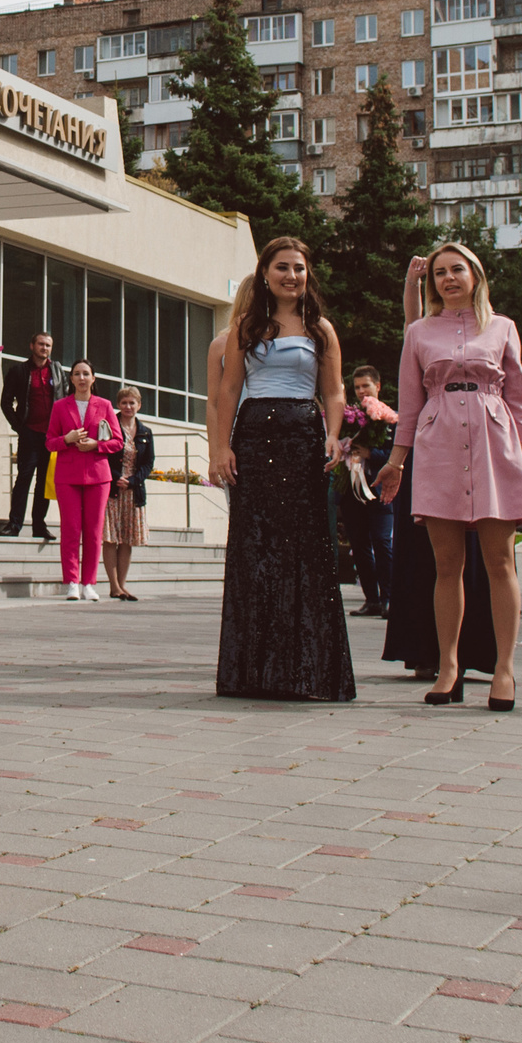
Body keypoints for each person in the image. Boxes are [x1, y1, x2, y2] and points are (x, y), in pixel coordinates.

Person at [376, 242, 522, 710]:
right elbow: (409, 405)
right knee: (446, 565)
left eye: (457, 270)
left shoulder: (503, 327)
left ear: (475, 275)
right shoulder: (418, 332)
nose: (448, 279)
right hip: (439, 446)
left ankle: (504, 670)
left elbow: (518, 401)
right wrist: (397, 460)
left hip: (495, 447)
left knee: (500, 563)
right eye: (439, 273)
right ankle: (448, 666)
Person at [207, 236, 357, 702]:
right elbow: (226, 394)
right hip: (253, 441)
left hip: (303, 439)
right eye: (282, 268)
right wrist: (219, 449)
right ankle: (253, 672)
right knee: (256, 550)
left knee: (306, 551)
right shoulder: (245, 329)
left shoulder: (321, 329)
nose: (292, 276)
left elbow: (334, 392)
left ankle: (310, 671)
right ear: (265, 274)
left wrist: (334, 435)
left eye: (299, 268)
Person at [46, 359, 123, 602]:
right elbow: (49, 442)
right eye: (77, 374)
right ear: (71, 379)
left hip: (98, 476)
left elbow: (118, 441)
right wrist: (67, 439)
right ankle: (71, 582)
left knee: (93, 531)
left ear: (93, 378)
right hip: (67, 476)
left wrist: (96, 445)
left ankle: (89, 582)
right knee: (70, 530)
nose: (81, 378)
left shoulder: (105, 405)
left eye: (86, 374)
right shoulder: (60, 406)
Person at [339, 364, 399, 617]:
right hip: (353, 493)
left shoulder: (391, 420)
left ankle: (389, 597)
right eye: (357, 387)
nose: (362, 391)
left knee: (382, 543)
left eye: (366, 386)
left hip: (381, 492)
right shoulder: (349, 418)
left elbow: (397, 456)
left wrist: (370, 454)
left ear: (378, 386)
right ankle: (371, 599)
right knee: (360, 546)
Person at [0, 332, 69, 540]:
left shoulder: (57, 371)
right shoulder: (19, 371)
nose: (44, 348)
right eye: (41, 344)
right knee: (23, 480)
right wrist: (19, 427)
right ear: (32, 346)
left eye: (48, 345)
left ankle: (39, 525)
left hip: (52, 437)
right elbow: (5, 402)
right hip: (29, 435)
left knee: (44, 483)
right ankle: (14, 524)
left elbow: (64, 399)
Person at [103, 385, 153, 601]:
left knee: (126, 540)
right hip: (111, 490)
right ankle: (113, 586)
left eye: (132, 402)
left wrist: (132, 481)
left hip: (133, 492)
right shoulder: (108, 425)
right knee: (110, 539)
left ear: (139, 405)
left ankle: (122, 586)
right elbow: (102, 452)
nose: (128, 406)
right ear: (118, 405)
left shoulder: (145, 432)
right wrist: (116, 477)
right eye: (124, 402)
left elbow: (148, 463)